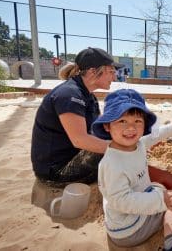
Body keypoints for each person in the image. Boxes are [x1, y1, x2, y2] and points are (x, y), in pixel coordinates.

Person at [91, 89, 172, 250]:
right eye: (122, 121)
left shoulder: (137, 144)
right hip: (128, 230)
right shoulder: (112, 164)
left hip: (128, 217)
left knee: (159, 188)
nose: (131, 128)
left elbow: (154, 136)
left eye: (137, 121)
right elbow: (121, 201)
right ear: (107, 126)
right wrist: (161, 201)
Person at [31, 47, 123, 187]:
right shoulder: (69, 95)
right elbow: (80, 140)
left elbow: (97, 130)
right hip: (57, 172)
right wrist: (124, 147)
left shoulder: (87, 95)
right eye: (111, 72)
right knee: (118, 150)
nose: (114, 77)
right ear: (93, 71)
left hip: (73, 157)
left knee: (120, 138)